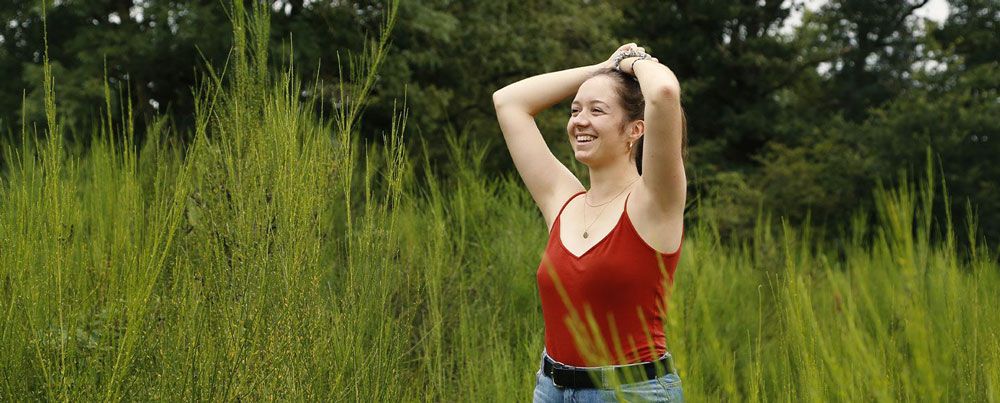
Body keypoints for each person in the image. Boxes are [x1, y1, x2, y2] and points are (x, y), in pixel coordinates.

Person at [492, 43, 686, 402]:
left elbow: (663, 92)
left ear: (635, 130)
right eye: (575, 110)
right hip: (551, 389)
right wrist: (605, 66)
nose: (580, 120)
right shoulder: (562, 200)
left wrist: (633, 63)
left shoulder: (654, 202)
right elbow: (509, 102)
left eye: (597, 111)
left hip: (632, 393)